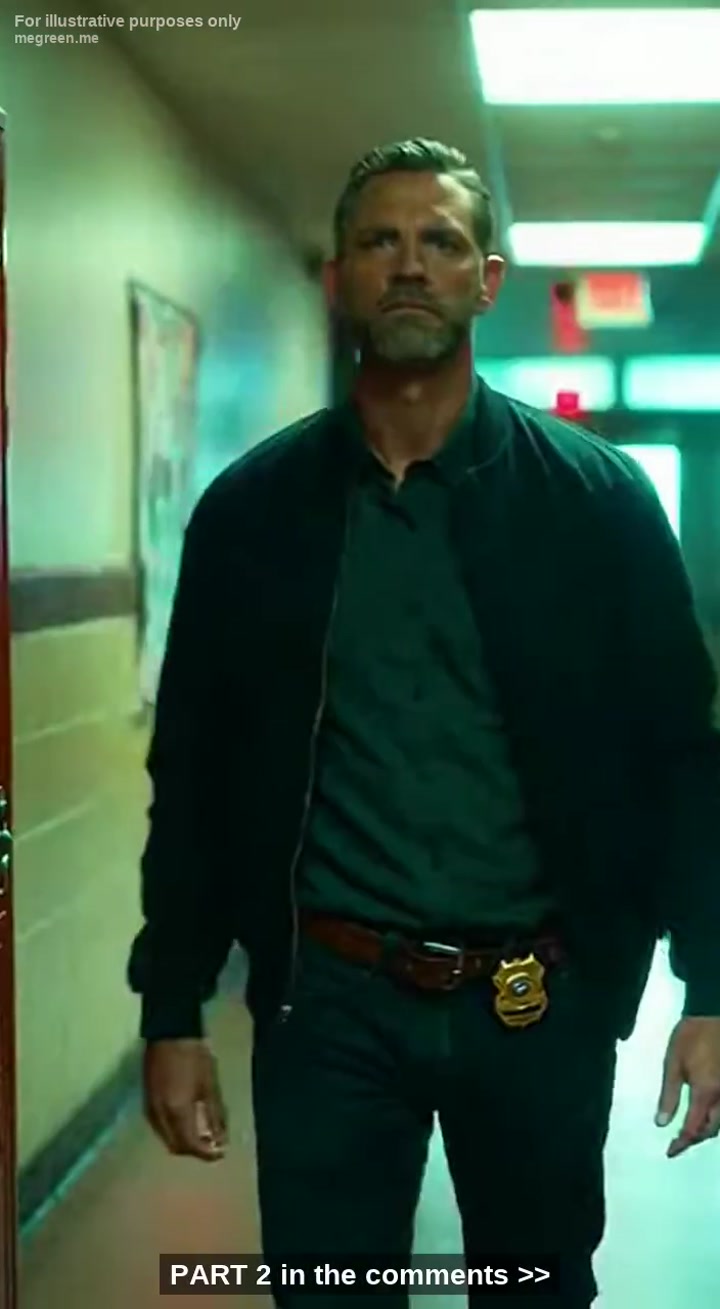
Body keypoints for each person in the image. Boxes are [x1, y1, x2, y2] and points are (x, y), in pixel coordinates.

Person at [127, 138, 720, 1307]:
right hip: (327, 1002)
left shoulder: (596, 503)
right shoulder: (254, 514)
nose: (409, 265)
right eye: (380, 242)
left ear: (486, 280)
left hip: (536, 997)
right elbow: (191, 771)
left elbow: (685, 757)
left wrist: (710, 986)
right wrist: (173, 1006)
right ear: (339, 276)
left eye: (440, 242)